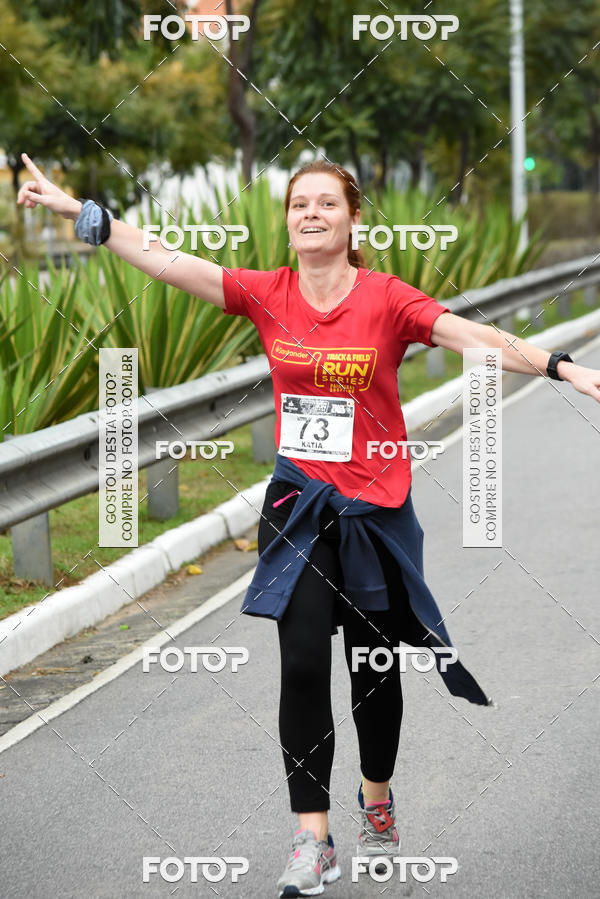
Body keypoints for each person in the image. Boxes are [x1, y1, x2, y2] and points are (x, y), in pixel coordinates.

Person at [17, 154, 600, 897]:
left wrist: (561, 366)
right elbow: (167, 260)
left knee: (372, 673)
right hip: (299, 509)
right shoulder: (269, 294)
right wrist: (78, 211)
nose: (312, 213)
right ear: (288, 221)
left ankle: (377, 794)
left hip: (376, 516)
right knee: (299, 664)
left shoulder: (388, 300)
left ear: (354, 220)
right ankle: (311, 837)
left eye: (327, 203)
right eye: (300, 205)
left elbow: (473, 337)